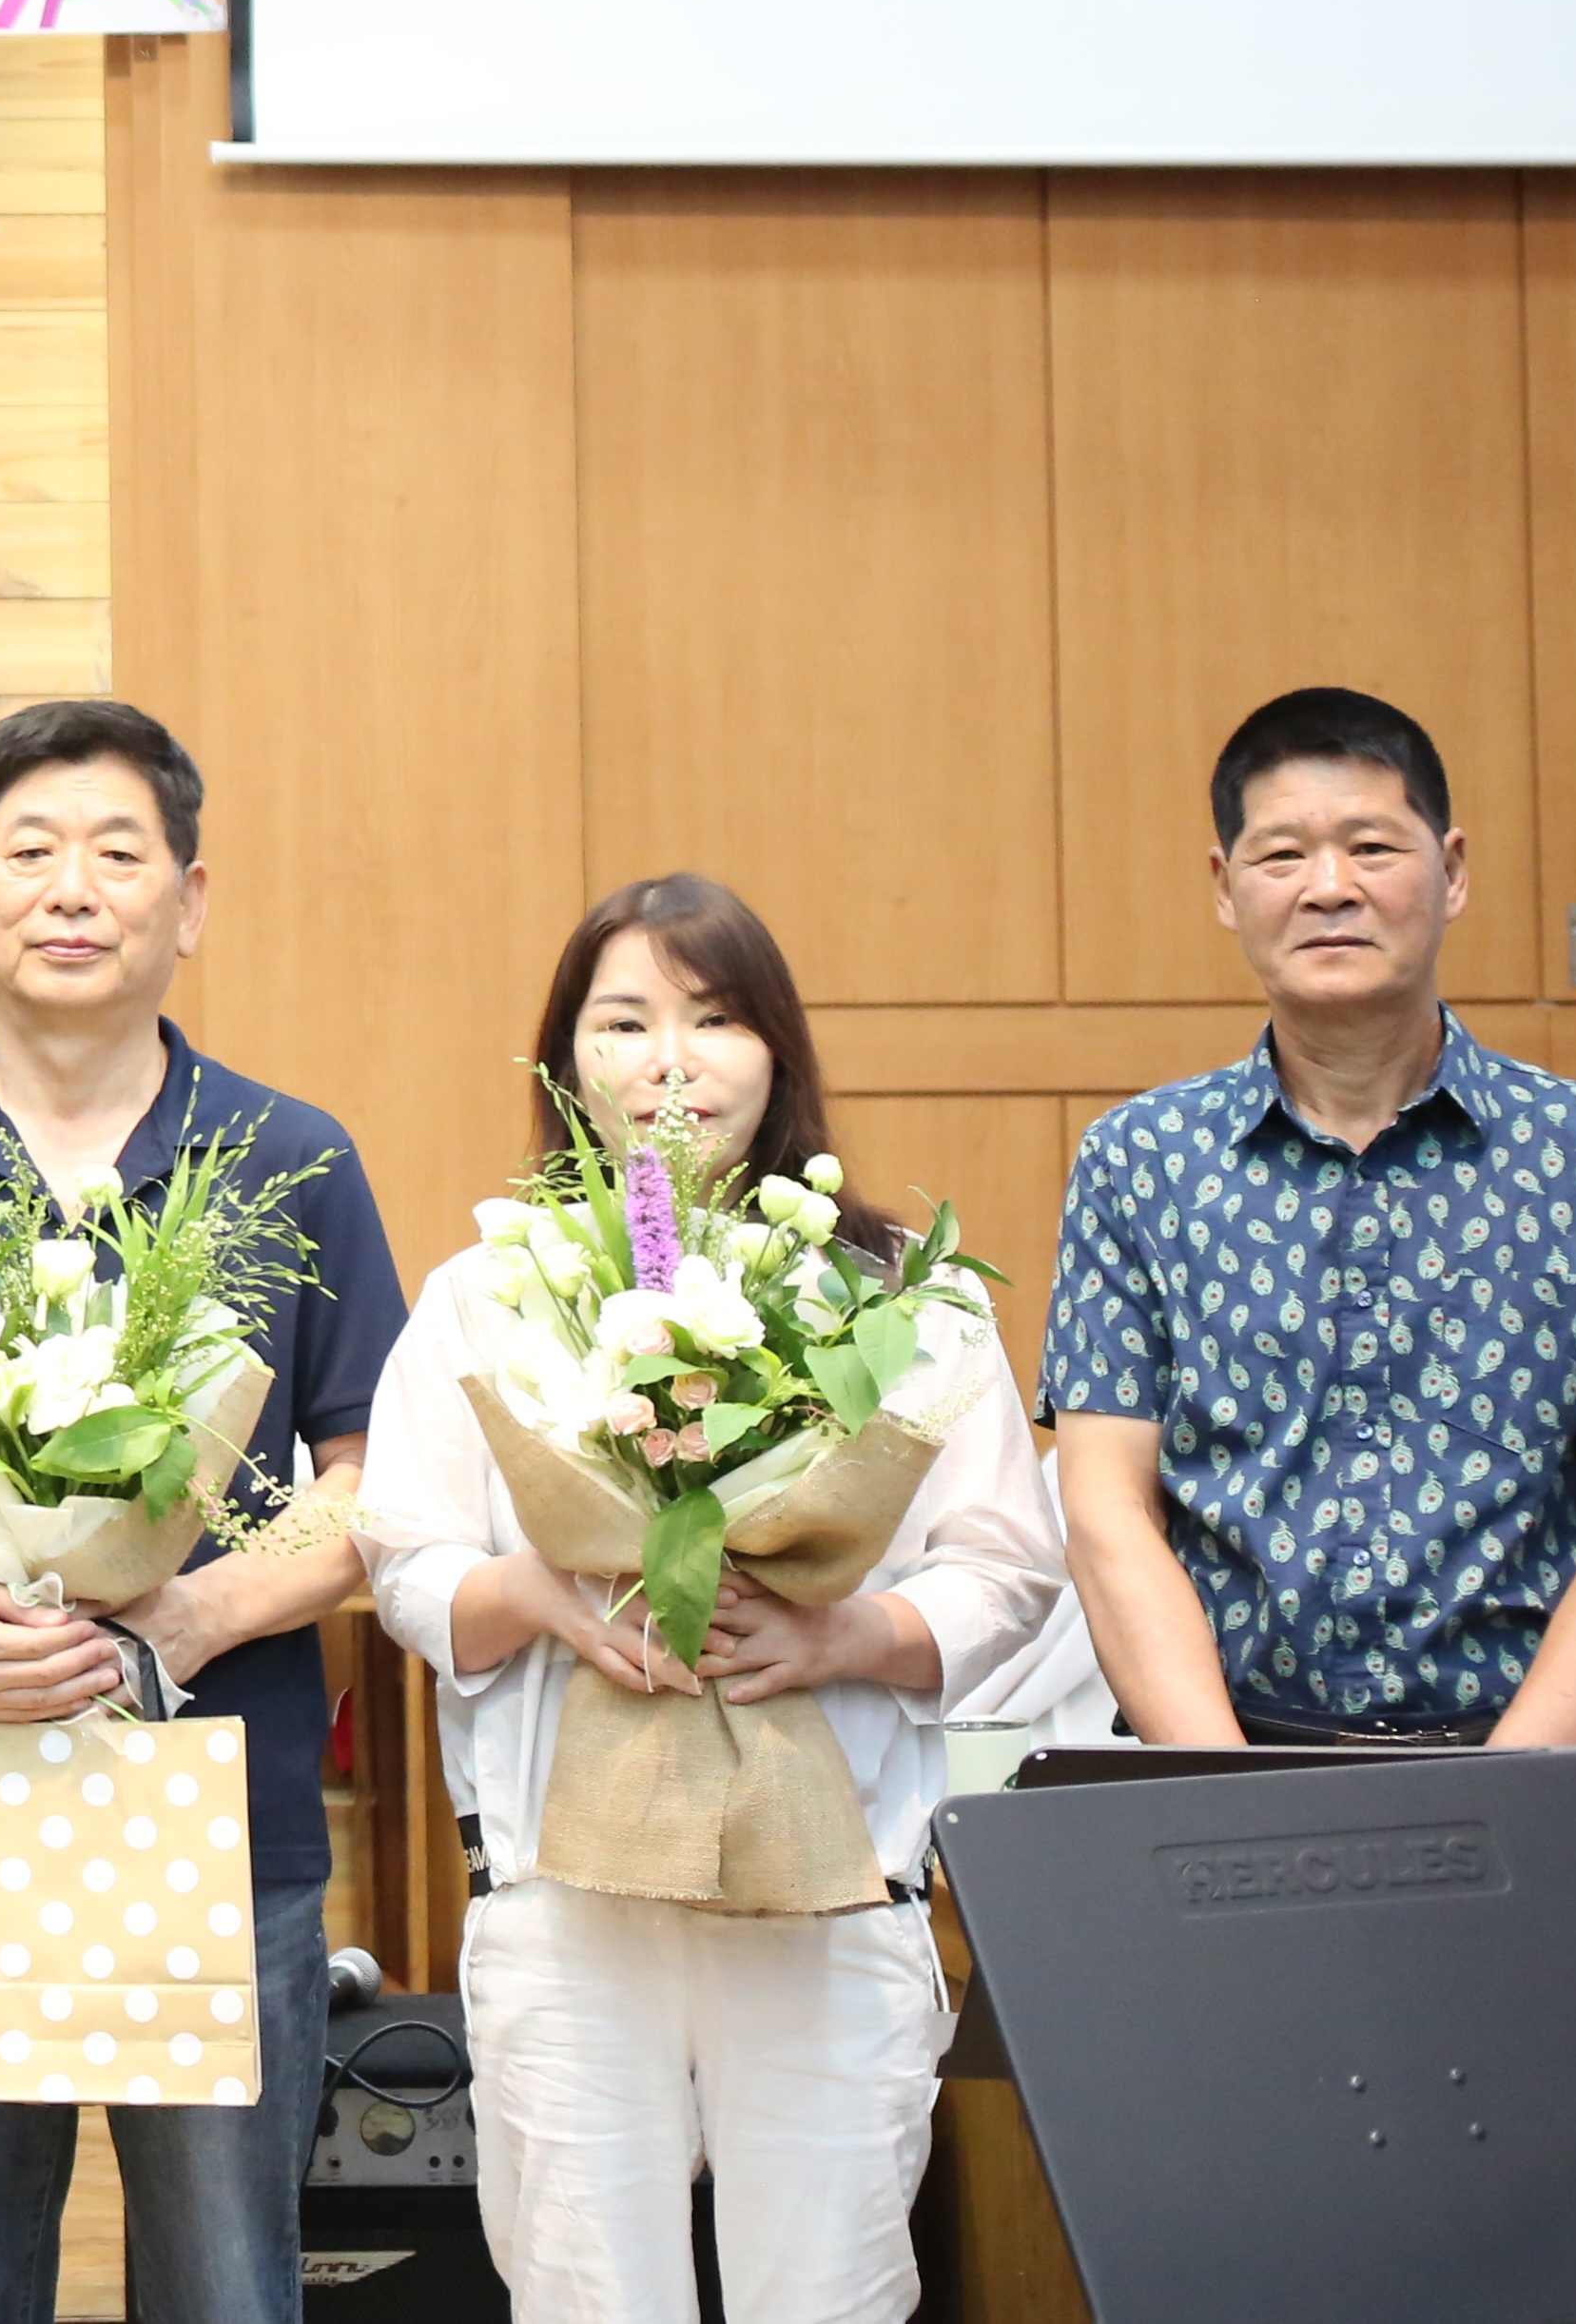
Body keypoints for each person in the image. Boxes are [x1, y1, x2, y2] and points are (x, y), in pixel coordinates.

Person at [0, 696, 402, 2324]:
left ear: (187, 901)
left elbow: (367, 1484)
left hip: (218, 1793)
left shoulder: (290, 1154)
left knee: (222, 2279)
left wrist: (186, 1614)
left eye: (117, 853)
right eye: (29, 850)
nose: (70, 888)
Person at [355, 874, 1061, 2324]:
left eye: (715, 1017)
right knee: (585, 2293)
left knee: (832, 2291)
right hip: (567, 1896)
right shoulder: (489, 1294)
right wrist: (547, 1594)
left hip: (831, 1886)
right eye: (625, 1021)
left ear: (778, 1049)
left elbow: (1008, 1566)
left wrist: (838, 1633)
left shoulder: (904, 1298)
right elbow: (406, 1561)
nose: (670, 1060)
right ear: (569, 1059)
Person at [1044, 687, 1576, 1748]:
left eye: (1371, 847)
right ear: (1225, 887)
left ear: (1450, 871)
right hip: (1227, 1755)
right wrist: (1230, 1802)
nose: (1330, 887)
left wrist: (1499, 1809)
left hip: (1533, 1761)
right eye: (1282, 856)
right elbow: (1106, 1515)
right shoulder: (1140, 1162)